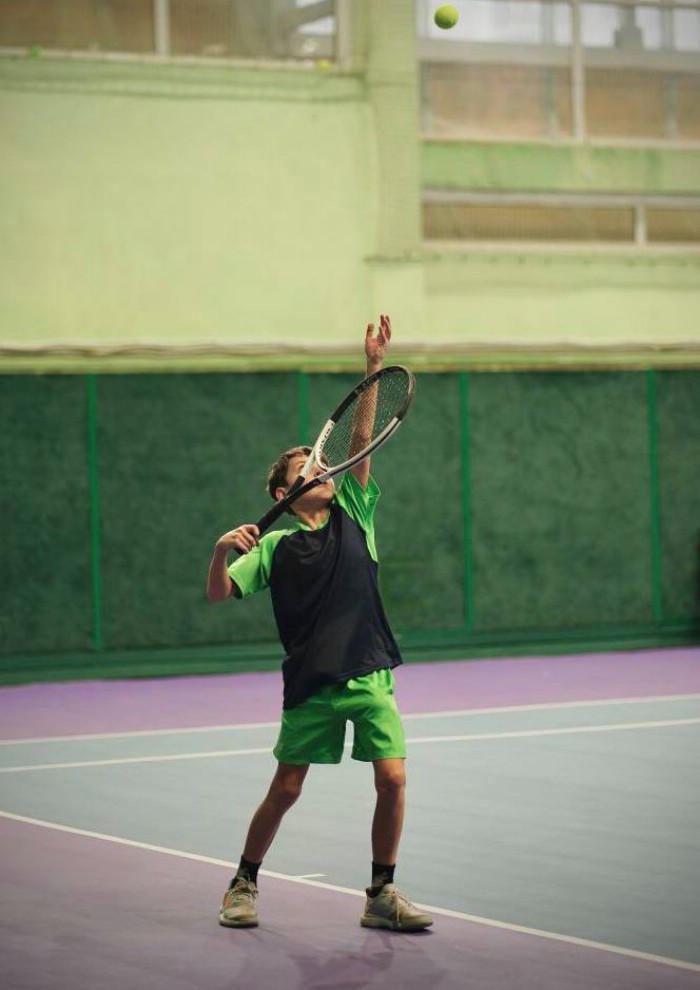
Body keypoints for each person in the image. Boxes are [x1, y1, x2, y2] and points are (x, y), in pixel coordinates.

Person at [206, 315, 432, 933]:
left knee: (393, 778)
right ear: (283, 492)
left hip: (370, 673)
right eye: (308, 468)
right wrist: (221, 551)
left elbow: (361, 440)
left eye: (323, 464)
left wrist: (372, 370)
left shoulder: (354, 512)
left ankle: (381, 894)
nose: (324, 469)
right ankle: (243, 882)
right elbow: (220, 594)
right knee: (286, 789)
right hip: (312, 684)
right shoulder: (274, 547)